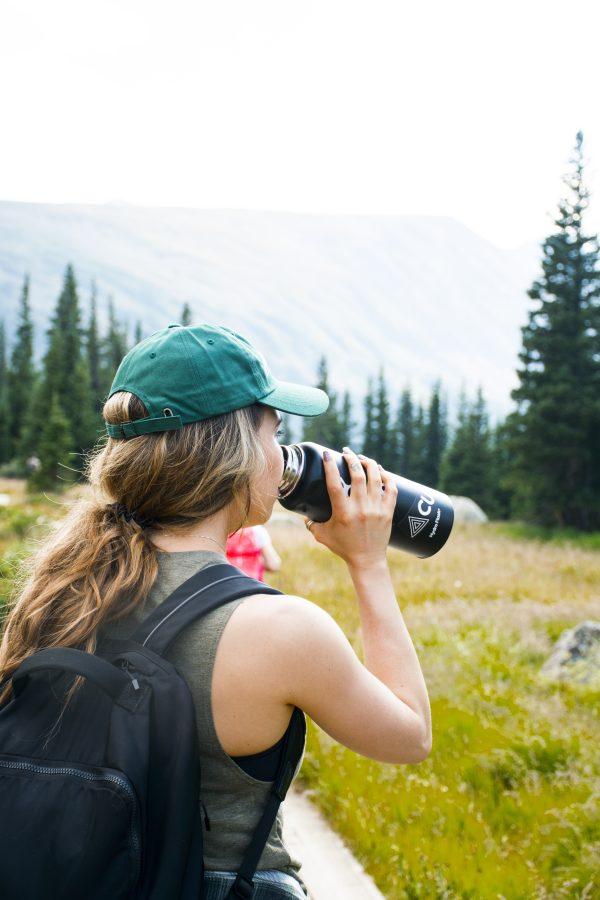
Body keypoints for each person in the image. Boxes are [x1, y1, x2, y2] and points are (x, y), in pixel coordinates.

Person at [0, 323, 432, 900]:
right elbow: (408, 737)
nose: (284, 457)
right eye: (274, 432)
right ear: (236, 448)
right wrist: (369, 565)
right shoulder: (278, 631)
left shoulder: (61, 590)